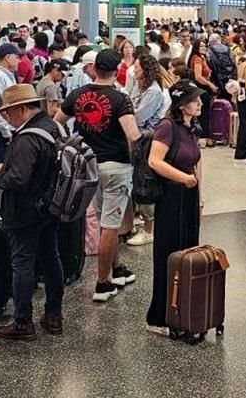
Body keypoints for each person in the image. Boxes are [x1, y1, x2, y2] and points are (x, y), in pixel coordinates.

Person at [56, 49, 141, 303]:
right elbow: (133, 135)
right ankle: (102, 283)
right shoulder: (120, 98)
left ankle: (117, 268)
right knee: (110, 224)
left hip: (89, 166)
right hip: (116, 165)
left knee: (106, 220)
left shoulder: (77, 95)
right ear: (116, 71)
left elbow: (58, 122)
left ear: (94, 69)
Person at [0, 84, 65, 341]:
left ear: (21, 109)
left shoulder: (26, 138)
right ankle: (54, 315)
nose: (5, 117)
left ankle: (23, 322)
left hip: (24, 211)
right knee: (51, 258)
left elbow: (18, 179)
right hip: (50, 206)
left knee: (22, 263)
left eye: (8, 112)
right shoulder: (52, 127)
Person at [143, 80, 205, 336]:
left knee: (187, 251)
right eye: (194, 100)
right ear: (181, 104)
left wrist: (199, 193)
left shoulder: (191, 128)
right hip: (171, 196)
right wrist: (184, 179)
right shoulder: (167, 127)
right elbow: (155, 161)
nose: (200, 103)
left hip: (188, 195)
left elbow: (196, 162)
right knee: (168, 253)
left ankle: (181, 308)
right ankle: (158, 316)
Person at [127, 54, 172, 248]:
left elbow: (137, 117)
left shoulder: (153, 92)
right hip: (139, 140)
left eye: (137, 67)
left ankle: (148, 229)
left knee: (146, 182)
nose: (133, 70)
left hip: (148, 140)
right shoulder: (140, 87)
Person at [0, 43, 21, 163]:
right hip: (0, 132)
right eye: (17, 57)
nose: (19, 61)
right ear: (7, 58)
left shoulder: (8, 75)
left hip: (9, 128)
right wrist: (6, 130)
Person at [188, 38, 219, 145]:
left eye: (204, 46)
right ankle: (203, 137)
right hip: (201, 89)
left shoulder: (202, 58)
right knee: (203, 114)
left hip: (202, 88)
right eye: (200, 46)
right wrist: (210, 84)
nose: (203, 48)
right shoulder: (197, 59)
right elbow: (198, 76)